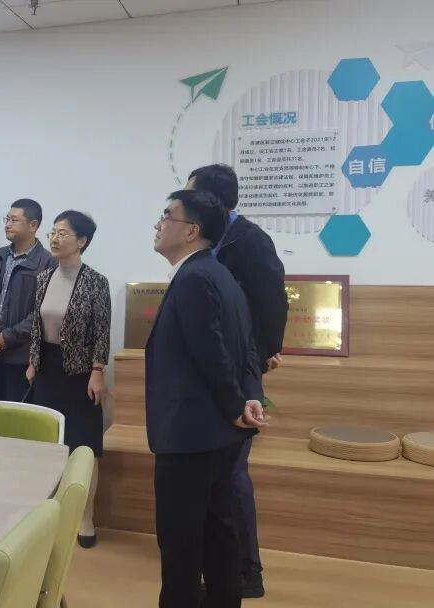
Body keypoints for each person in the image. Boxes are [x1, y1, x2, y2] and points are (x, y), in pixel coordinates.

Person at [146, 189, 268, 608]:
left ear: (191, 231)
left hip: (189, 437)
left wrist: (237, 404)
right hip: (217, 436)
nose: (159, 223)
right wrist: (249, 397)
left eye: (167, 216)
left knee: (180, 546)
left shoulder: (194, 278)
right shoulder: (220, 275)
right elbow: (247, 348)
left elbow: (210, 352)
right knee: (219, 537)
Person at [188, 163, 288, 598]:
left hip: (238, 369)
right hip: (210, 369)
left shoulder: (249, 240)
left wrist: (262, 355)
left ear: (210, 200)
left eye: (190, 194)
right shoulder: (207, 240)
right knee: (215, 469)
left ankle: (247, 569)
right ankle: (216, 559)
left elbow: (273, 302)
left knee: (232, 471)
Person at [26, 210, 110, 549]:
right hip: (46, 369)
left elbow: (101, 331)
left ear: (82, 241)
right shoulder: (43, 278)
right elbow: (36, 326)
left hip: (80, 373)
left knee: (85, 447)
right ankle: (48, 514)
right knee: (50, 445)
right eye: (53, 232)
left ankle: (86, 517)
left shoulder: (96, 281)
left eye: (63, 233)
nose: (55, 238)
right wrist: (33, 361)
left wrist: (98, 372)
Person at [0, 199, 54, 402]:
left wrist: (8, 337)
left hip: (19, 355)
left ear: (33, 225)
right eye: (6, 219)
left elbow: (42, 311)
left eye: (14, 220)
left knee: (14, 415)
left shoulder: (47, 262)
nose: (7, 224)